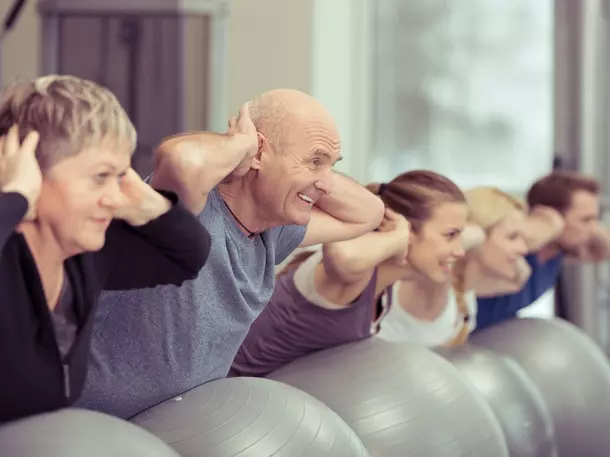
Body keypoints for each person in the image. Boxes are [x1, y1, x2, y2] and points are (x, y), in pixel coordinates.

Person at [78, 88, 385, 419]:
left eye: (330, 165)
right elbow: (182, 161)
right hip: (91, 426)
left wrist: (316, 175)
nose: (326, 183)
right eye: (314, 160)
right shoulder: (191, 207)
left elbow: (368, 213)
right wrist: (240, 144)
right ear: (258, 152)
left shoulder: (273, 230)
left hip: (173, 432)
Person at [0, 76, 211, 424]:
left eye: (120, 176)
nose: (114, 197)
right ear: (30, 173)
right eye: (100, 177)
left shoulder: (86, 256)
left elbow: (188, 257)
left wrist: (148, 205)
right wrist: (15, 198)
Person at [230, 170, 475, 377]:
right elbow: (345, 257)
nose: (460, 251)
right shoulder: (353, 275)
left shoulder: (384, 286)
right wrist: (399, 236)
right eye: (450, 235)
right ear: (406, 227)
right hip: (227, 404)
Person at [378, 186, 538, 346]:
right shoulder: (433, 278)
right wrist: (477, 233)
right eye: (512, 237)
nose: (523, 249)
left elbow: (518, 280)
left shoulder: (464, 295)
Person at [475, 170, 610, 331]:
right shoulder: (514, 249)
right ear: (552, 215)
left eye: (595, 219)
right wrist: (548, 223)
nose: (593, 229)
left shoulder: (558, 253)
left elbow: (602, 247)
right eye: (586, 220)